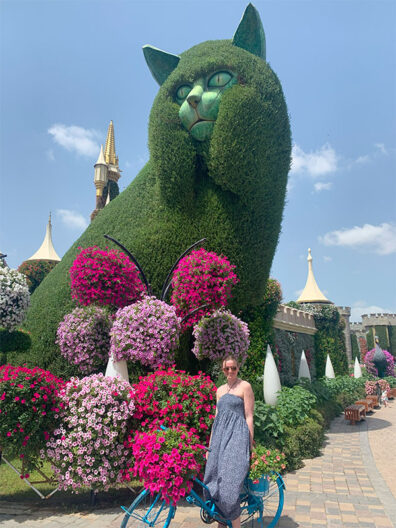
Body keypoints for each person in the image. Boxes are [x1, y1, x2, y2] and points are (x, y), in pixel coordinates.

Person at [204, 355, 255, 528]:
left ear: (238, 367)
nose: (230, 371)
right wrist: (210, 446)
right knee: (214, 482)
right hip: (219, 437)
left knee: (230, 488)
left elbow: (249, 416)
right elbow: (217, 419)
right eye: (227, 368)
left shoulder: (245, 386)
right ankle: (221, 523)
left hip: (237, 437)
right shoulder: (219, 390)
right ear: (223, 369)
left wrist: (249, 442)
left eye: (233, 368)